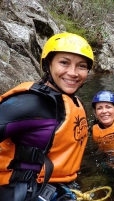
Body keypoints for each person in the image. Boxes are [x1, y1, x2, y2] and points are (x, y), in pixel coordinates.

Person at [0, 32, 94, 201]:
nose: (73, 73)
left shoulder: (75, 102)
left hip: (58, 187)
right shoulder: (30, 103)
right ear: (48, 64)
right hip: (22, 192)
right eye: (64, 63)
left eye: (81, 66)